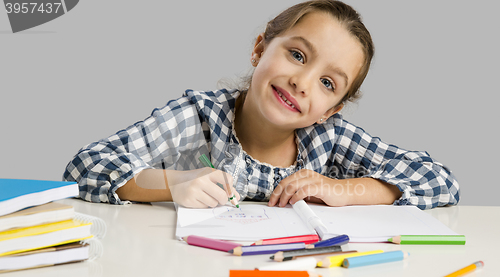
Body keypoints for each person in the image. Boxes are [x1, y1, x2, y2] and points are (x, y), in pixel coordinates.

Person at [63, 0, 459, 210]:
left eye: (326, 83)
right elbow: (85, 166)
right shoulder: (198, 117)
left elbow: (440, 180)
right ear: (259, 48)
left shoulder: (329, 138)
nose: (301, 83)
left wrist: (344, 190)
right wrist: (173, 183)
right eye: (298, 55)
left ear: (330, 110)